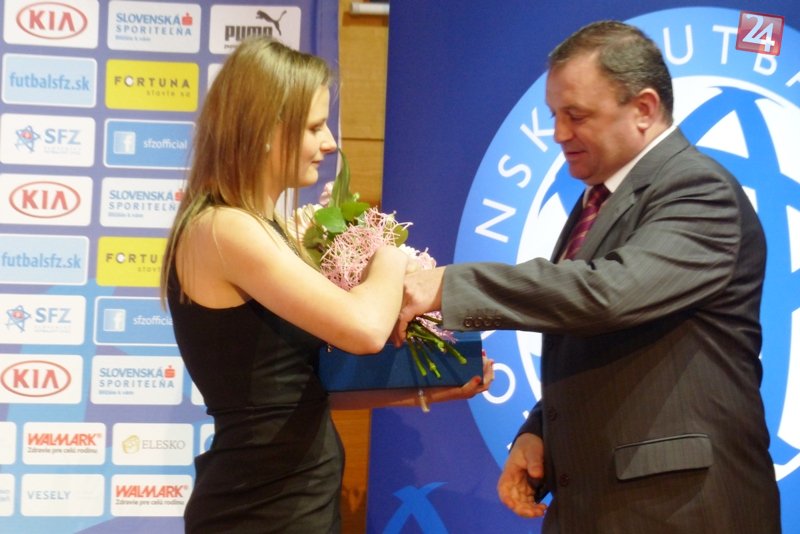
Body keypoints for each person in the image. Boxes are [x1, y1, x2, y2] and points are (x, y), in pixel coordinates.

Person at [395, 20, 781, 533]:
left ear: (643, 109)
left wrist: (449, 287)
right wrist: (540, 432)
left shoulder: (698, 190)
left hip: (682, 511)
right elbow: (610, 341)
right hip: (601, 505)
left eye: (576, 115)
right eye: (555, 116)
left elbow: (606, 296)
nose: (559, 134)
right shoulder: (601, 199)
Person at [160, 37, 492, 534]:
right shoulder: (225, 229)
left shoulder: (257, 226)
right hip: (261, 510)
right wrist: (389, 253)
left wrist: (426, 390)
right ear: (265, 129)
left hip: (289, 502)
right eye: (315, 126)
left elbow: (299, 394)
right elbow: (364, 329)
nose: (331, 143)